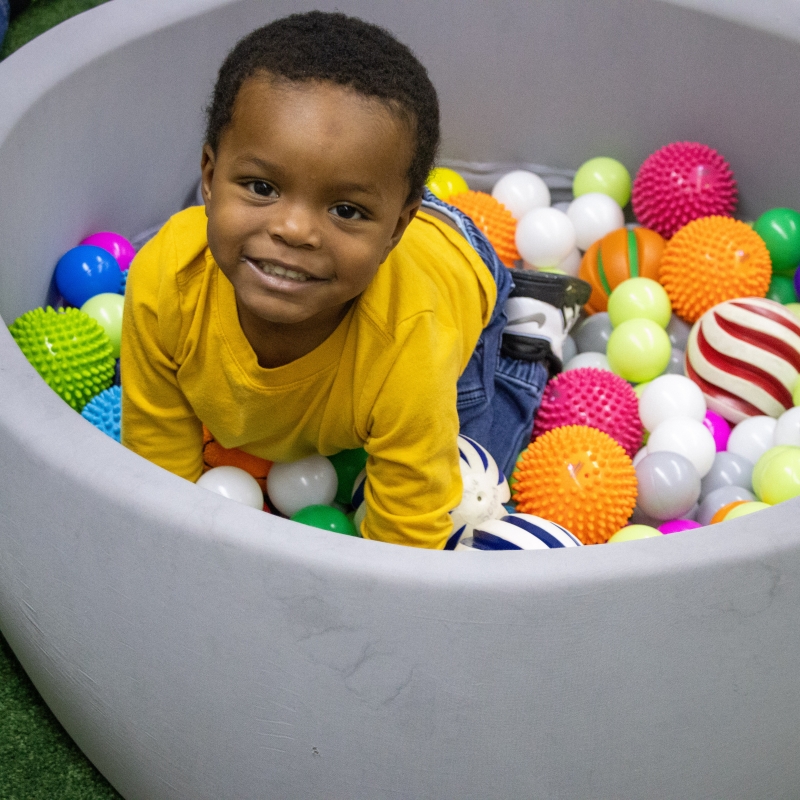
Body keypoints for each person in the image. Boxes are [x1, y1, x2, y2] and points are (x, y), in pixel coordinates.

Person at [121, 11, 584, 549]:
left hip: (452, 267)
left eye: (343, 209)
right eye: (260, 187)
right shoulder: (166, 281)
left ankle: (523, 341)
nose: (293, 230)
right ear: (207, 176)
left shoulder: (408, 344)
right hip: (380, 205)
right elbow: (159, 480)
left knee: (469, 492)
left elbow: (406, 545)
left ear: (396, 229)